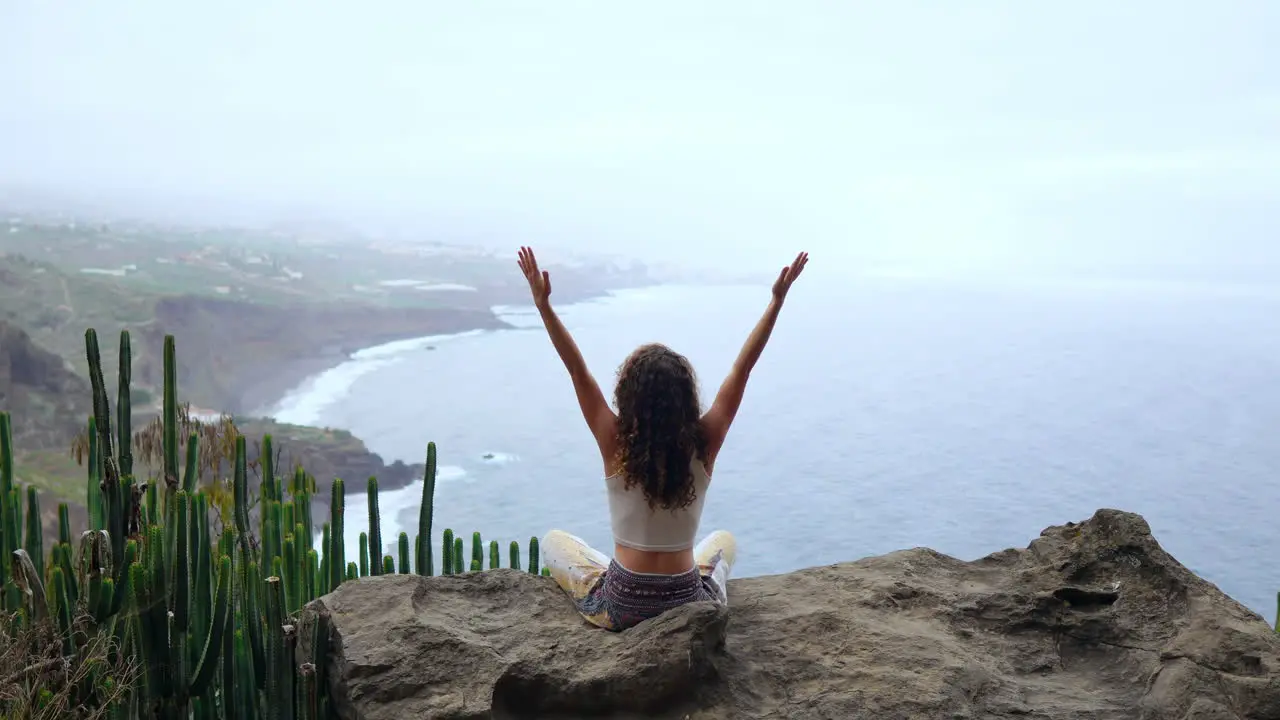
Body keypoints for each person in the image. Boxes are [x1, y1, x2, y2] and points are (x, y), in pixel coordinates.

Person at [517, 246, 808, 631]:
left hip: (621, 604)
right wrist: (776, 301)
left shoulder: (613, 439)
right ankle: (699, 587)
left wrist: (543, 306)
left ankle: (615, 570)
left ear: (628, 395)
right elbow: (744, 367)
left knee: (555, 541)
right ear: (685, 397)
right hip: (686, 603)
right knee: (723, 542)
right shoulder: (705, 440)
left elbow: (576, 369)